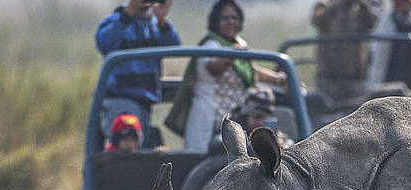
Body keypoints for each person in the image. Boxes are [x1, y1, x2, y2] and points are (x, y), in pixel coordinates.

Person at [166, 0, 286, 152]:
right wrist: (232, 54)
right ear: (216, 21)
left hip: (236, 119)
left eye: (234, 18)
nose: (231, 22)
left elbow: (250, 70)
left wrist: (277, 79)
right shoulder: (210, 45)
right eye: (225, 18)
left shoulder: (239, 43)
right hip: (209, 118)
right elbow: (214, 68)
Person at [95, 0, 181, 148]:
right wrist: (130, 12)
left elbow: (174, 47)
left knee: (140, 152)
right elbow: (105, 44)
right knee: (126, 149)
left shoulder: (154, 25)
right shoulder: (117, 20)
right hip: (121, 102)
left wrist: (161, 20)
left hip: (145, 104)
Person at [311, 0, 377, 102]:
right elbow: (318, 21)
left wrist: (362, 4)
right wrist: (337, 5)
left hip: (355, 74)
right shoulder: (324, 6)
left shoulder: (361, 8)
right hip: (328, 74)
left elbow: (372, 22)